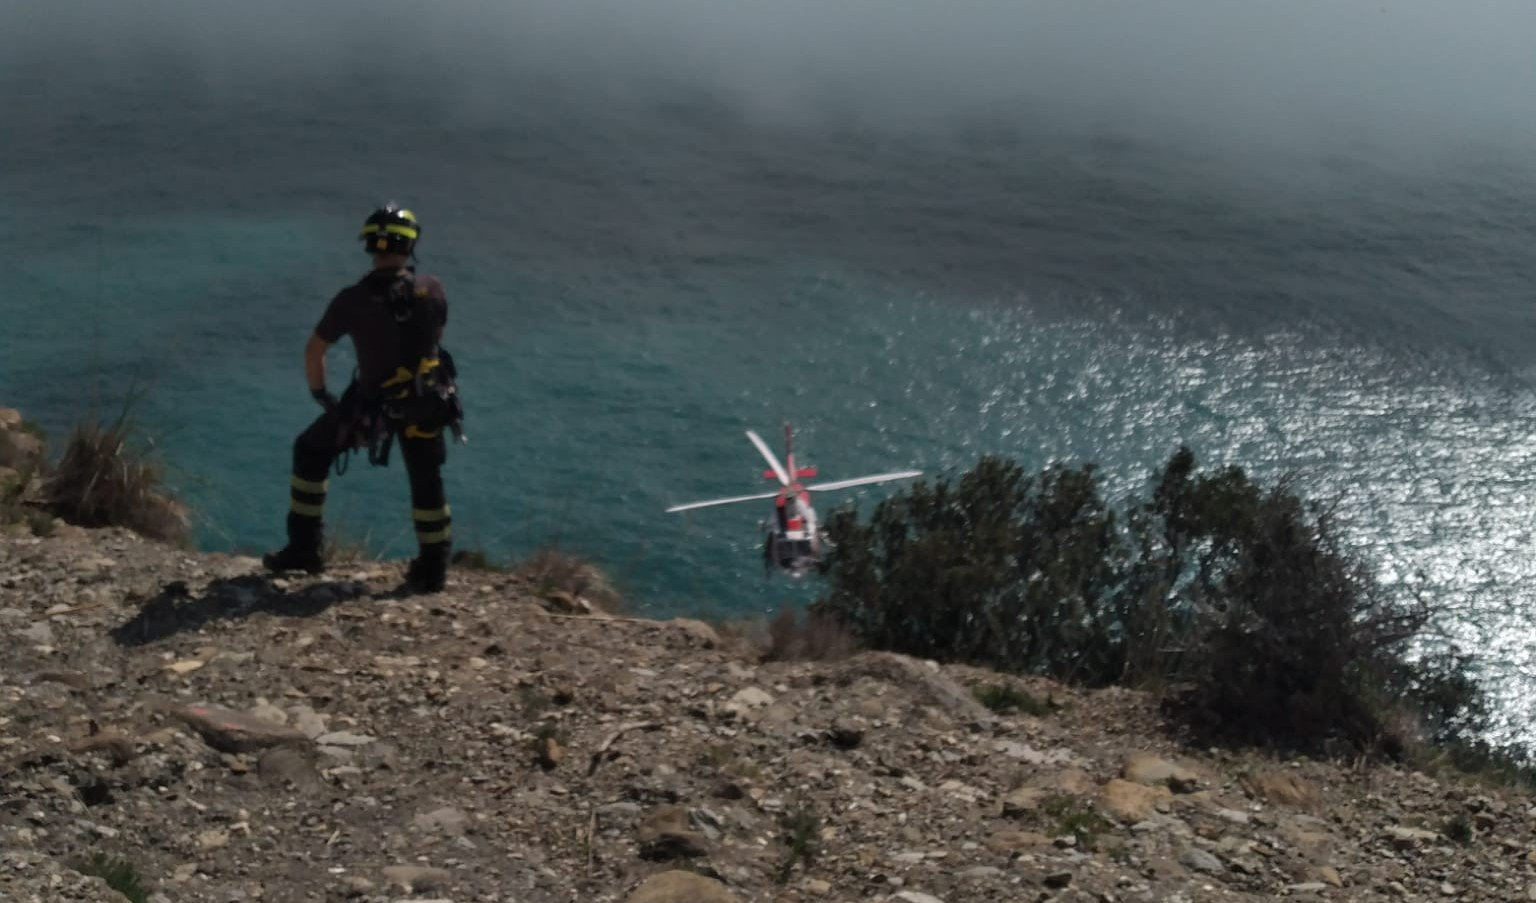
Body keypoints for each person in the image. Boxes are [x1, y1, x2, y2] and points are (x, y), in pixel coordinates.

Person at [263, 204, 461, 593]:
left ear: (370, 245)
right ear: (411, 245)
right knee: (427, 478)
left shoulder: (352, 300)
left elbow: (314, 352)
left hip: (372, 408)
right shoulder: (433, 289)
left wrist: (322, 395)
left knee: (310, 450)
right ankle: (434, 568)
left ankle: (304, 549)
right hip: (427, 402)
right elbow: (436, 336)